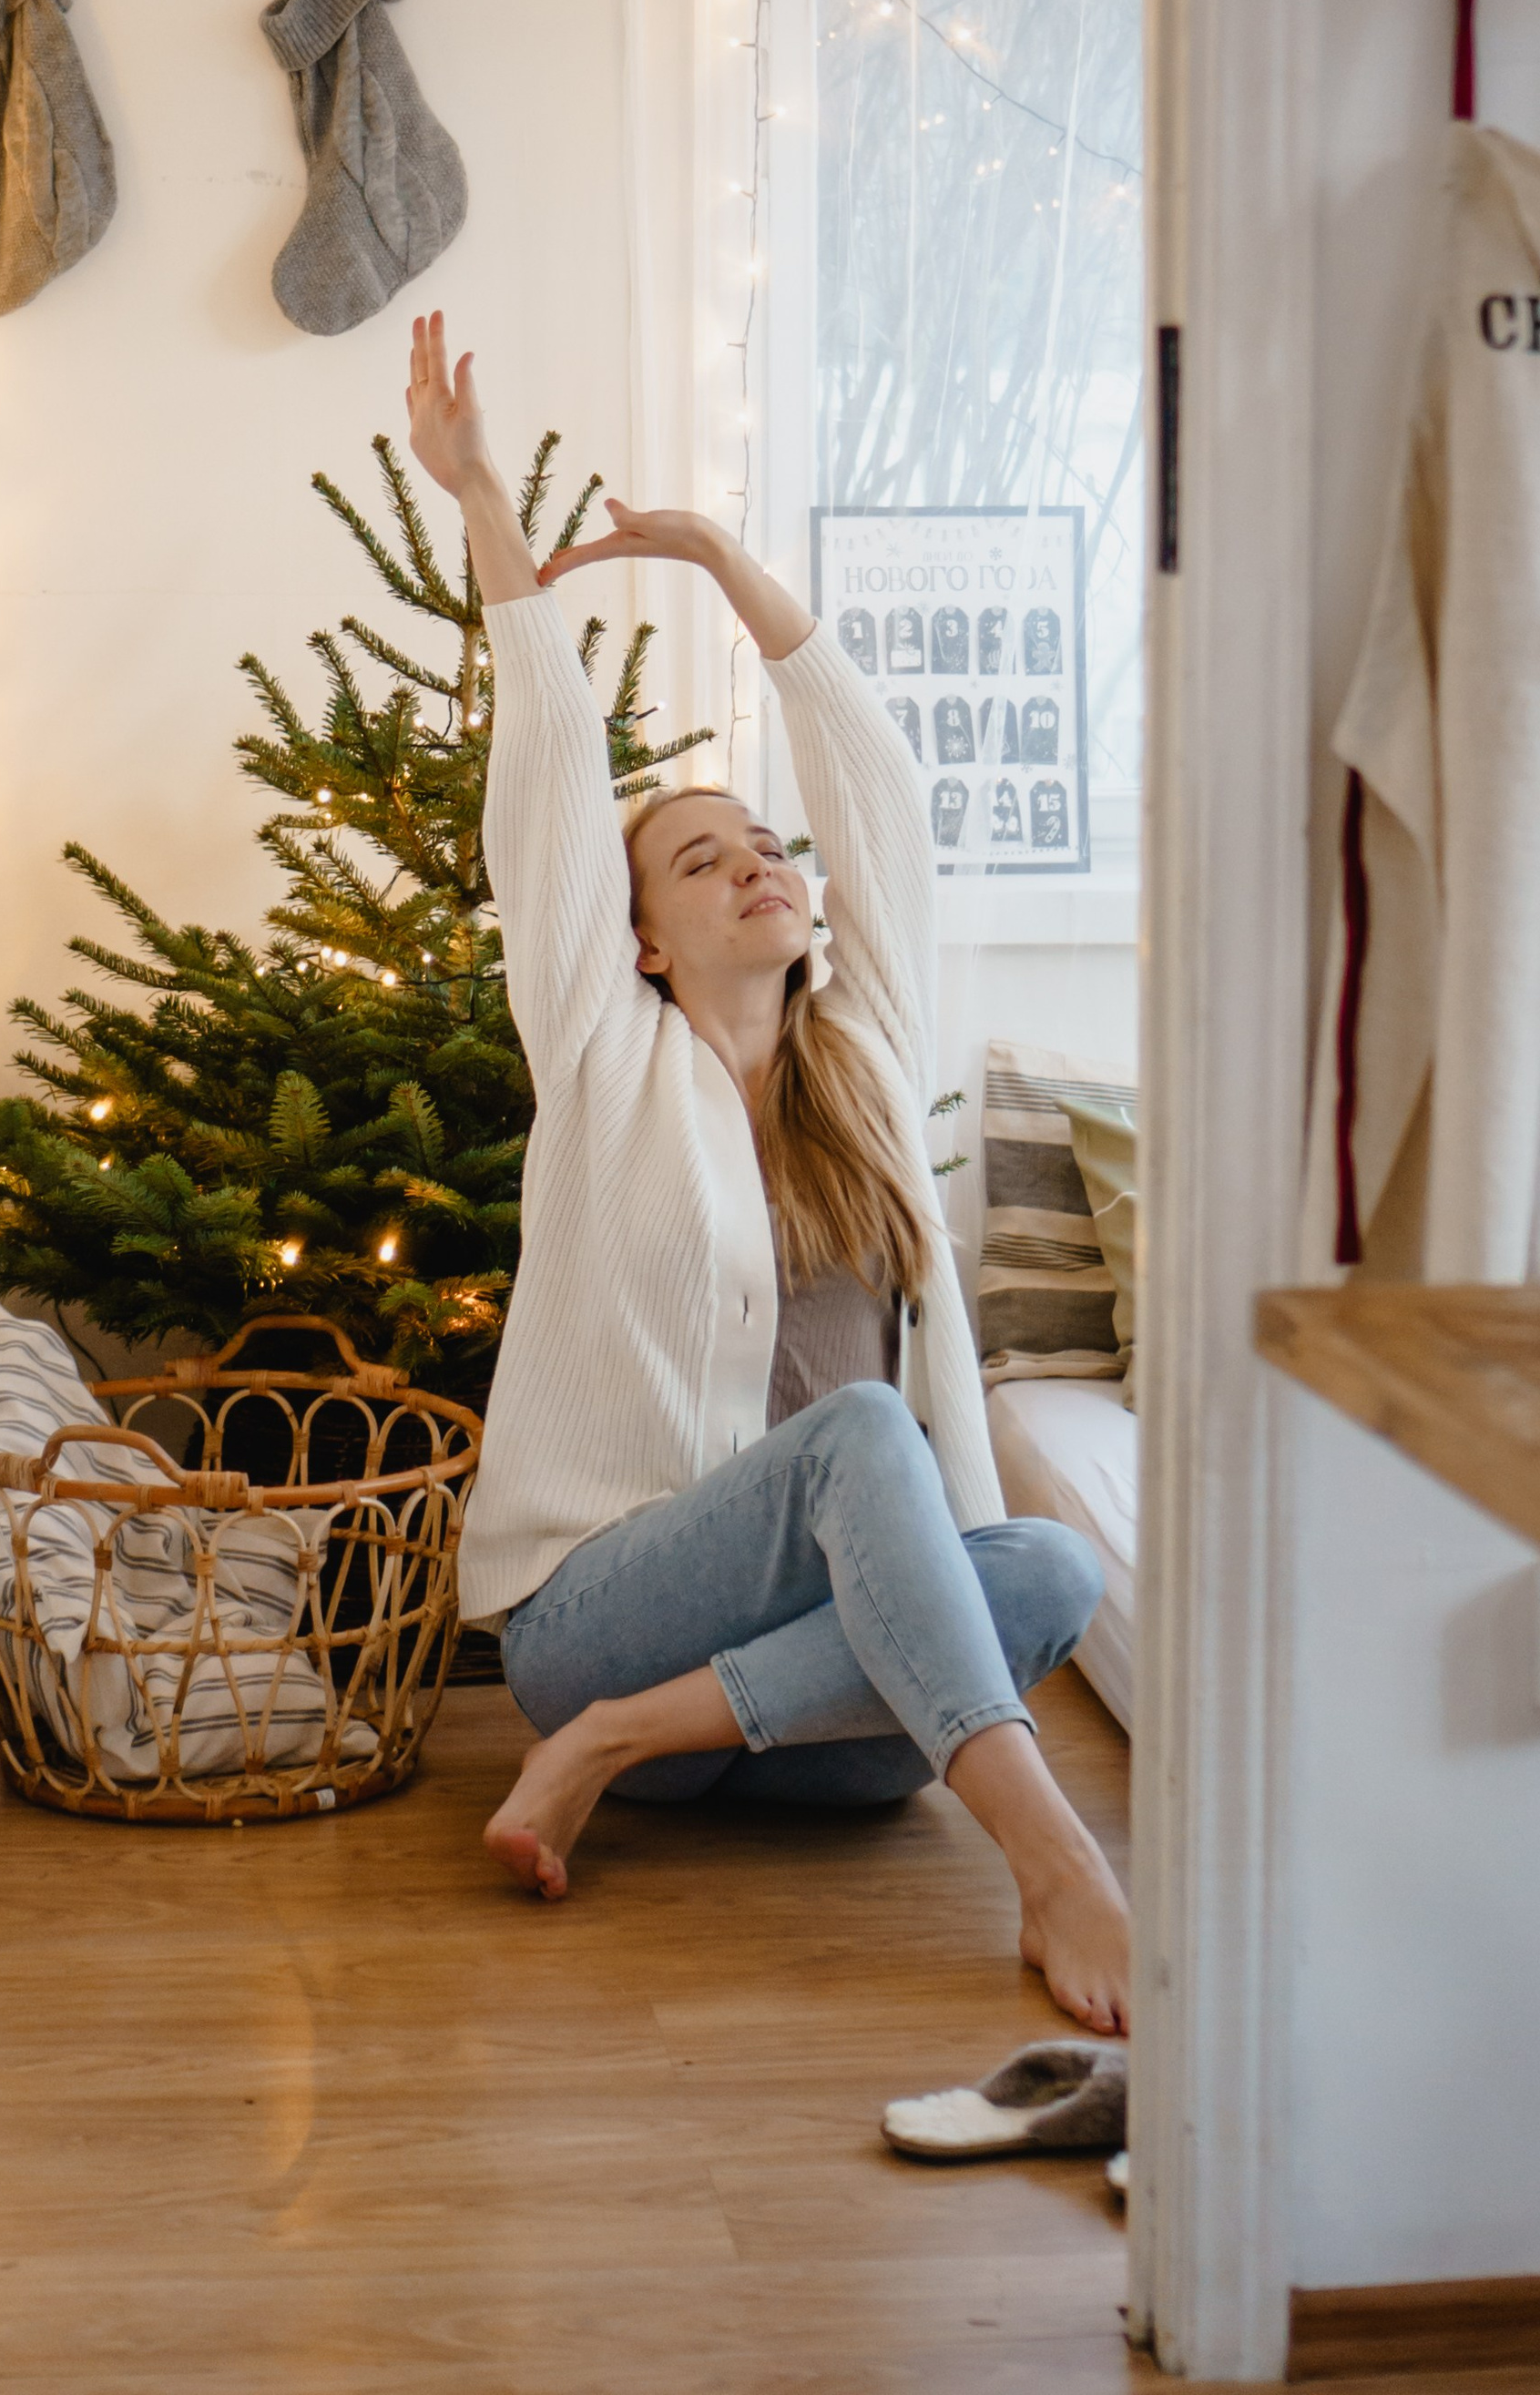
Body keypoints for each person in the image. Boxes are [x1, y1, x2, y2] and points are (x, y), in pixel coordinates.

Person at [406, 313, 1131, 2036]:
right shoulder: (602, 1052)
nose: (757, 868)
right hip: (602, 1610)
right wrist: (484, 510)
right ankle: (1054, 1859)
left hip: (815, 1740)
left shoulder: (865, 1058)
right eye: (701, 860)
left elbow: (874, 796)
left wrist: (731, 566)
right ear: (641, 939)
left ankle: (615, 1751)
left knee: (1046, 1572)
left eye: (764, 850)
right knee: (873, 1445)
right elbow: (552, 797)